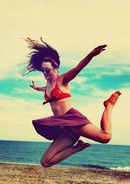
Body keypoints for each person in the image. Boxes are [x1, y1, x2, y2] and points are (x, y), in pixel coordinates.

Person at [24, 37, 121, 168]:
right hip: (64, 127)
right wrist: (37, 88)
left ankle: (109, 105)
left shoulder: (63, 80)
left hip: (72, 119)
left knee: (105, 137)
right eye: (42, 70)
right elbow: (44, 89)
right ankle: (78, 147)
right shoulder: (47, 85)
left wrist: (91, 55)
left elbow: (78, 68)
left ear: (56, 68)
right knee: (45, 162)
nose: (44, 73)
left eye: (47, 70)